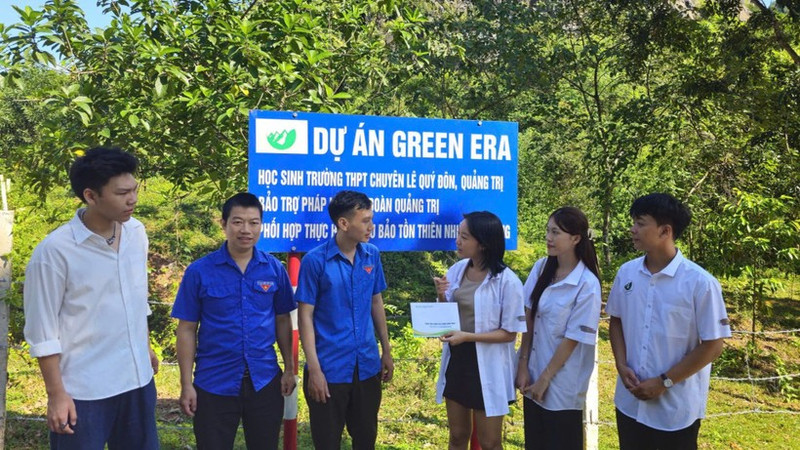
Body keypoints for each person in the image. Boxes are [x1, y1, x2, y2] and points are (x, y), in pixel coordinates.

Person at [23, 146, 160, 449]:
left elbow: (136, 300)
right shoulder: (54, 252)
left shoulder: (136, 233)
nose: (133, 199)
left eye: (134, 190)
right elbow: (42, 331)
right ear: (90, 196)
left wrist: (145, 346)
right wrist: (56, 395)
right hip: (84, 391)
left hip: (137, 381)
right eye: (122, 193)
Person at [171, 192, 296, 449]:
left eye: (254, 222)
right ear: (224, 224)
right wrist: (186, 384)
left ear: (261, 225)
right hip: (213, 381)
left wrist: (289, 368)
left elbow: (283, 319)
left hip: (264, 379)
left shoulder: (274, 269)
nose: (246, 230)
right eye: (238, 222)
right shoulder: (199, 272)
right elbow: (186, 329)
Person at [607, 193, 731, 450]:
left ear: (665, 231)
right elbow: (616, 321)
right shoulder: (627, 273)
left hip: (675, 411)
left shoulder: (700, 283)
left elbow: (713, 345)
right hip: (629, 403)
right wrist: (620, 363)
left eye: (640, 223)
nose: (633, 229)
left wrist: (665, 381)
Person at [295, 190, 393, 450]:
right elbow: (305, 315)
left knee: (365, 439)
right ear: (343, 223)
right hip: (329, 369)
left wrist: (386, 350)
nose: (371, 227)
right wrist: (314, 369)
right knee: (327, 441)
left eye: (372, 219)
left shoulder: (371, 255)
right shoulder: (315, 261)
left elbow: (376, 302)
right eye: (365, 221)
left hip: (367, 366)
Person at [432, 211, 526, 450]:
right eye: (458, 235)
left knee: (490, 442)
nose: (458, 241)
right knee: (457, 435)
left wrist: (468, 337)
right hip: (458, 361)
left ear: (483, 244)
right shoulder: (457, 270)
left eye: (464, 237)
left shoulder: (508, 281)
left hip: (489, 365)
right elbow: (448, 316)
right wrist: (441, 295)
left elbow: (509, 333)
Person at [515, 207, 601, 450]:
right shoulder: (542, 267)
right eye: (547, 231)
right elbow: (528, 316)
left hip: (563, 382)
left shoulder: (587, 284)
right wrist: (522, 365)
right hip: (533, 373)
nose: (548, 238)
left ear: (575, 238)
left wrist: (545, 379)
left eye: (555, 232)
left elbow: (572, 339)